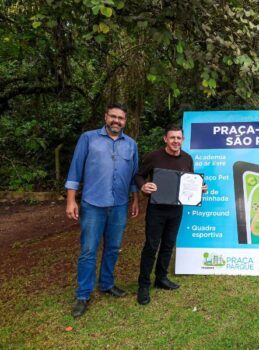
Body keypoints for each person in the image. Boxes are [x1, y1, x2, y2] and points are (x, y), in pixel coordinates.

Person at [65, 102, 139, 318]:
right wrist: (71, 200)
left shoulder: (131, 144)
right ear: (106, 117)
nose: (117, 121)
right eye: (113, 116)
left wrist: (135, 200)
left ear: (125, 121)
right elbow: (75, 169)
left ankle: (107, 284)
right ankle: (83, 294)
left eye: (121, 118)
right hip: (93, 204)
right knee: (88, 249)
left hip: (119, 205)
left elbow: (134, 175)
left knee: (114, 247)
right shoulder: (88, 139)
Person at [134, 124, 207, 305]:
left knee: (168, 245)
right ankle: (143, 284)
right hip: (157, 209)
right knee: (151, 246)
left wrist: (199, 189)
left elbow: (188, 182)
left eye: (179, 138)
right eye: (172, 138)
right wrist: (143, 186)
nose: (176, 141)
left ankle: (161, 278)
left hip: (176, 209)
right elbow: (138, 175)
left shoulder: (187, 159)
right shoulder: (154, 157)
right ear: (165, 139)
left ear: (183, 140)